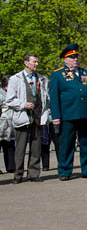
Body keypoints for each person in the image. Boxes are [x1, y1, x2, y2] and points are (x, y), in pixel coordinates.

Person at [49, 44, 87, 181]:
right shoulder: (58, 74)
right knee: (67, 144)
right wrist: (56, 116)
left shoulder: (85, 73)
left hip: (85, 114)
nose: (75, 59)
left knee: (86, 143)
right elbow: (54, 97)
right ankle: (64, 170)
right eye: (71, 57)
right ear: (65, 60)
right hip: (67, 115)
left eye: (76, 57)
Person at [6, 54, 50, 183]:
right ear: (26, 63)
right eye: (34, 62)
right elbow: (10, 100)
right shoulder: (15, 79)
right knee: (20, 148)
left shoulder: (42, 79)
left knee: (36, 147)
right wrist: (22, 104)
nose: (36, 64)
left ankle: (34, 173)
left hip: (37, 116)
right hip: (23, 116)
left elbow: (46, 98)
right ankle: (18, 174)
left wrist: (45, 113)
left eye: (37, 62)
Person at [0, 75, 16, 174]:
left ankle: (11, 166)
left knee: (9, 145)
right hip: (1, 122)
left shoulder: (13, 93)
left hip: (10, 123)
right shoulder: (1, 94)